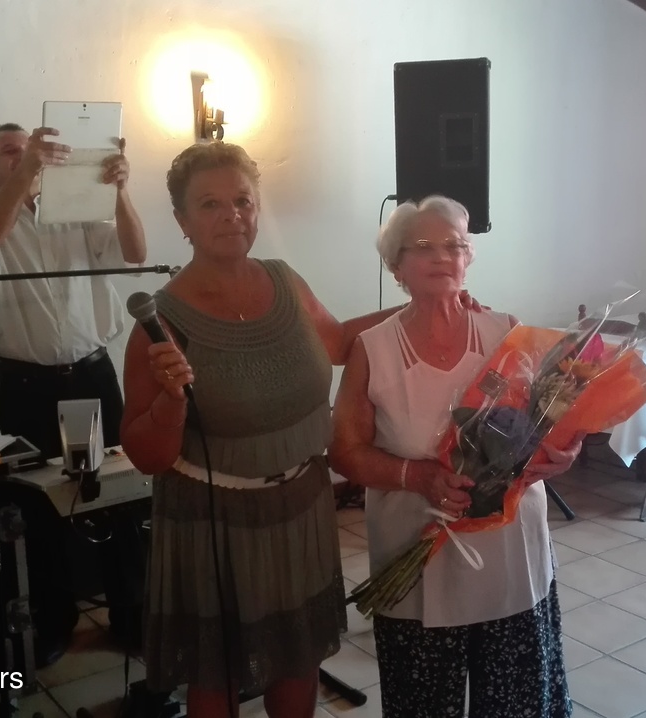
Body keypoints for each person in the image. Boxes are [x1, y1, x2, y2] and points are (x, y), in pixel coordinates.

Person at [119, 142, 484, 718]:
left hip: (301, 509)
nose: (231, 215)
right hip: (216, 522)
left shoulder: (283, 280)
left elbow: (337, 342)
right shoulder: (161, 319)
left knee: (297, 656)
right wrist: (170, 403)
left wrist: (426, 303)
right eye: (210, 204)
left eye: (243, 201)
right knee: (217, 673)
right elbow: (147, 456)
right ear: (181, 220)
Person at [327, 195, 579, 718]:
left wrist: (565, 449)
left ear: (469, 259)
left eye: (455, 245)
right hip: (416, 551)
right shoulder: (372, 348)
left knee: (514, 700)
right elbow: (344, 452)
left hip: (507, 550)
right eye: (423, 245)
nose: (442, 256)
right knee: (422, 702)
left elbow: (550, 421)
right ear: (396, 265)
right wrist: (417, 476)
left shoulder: (506, 332)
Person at [0, 122, 148, 667]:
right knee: (39, 509)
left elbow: (136, 253)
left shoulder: (75, 212)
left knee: (114, 495)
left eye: (29, 149)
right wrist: (29, 174)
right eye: (10, 152)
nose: (24, 157)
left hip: (89, 379)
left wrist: (120, 190)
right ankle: (54, 622)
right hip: (28, 388)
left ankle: (131, 614)